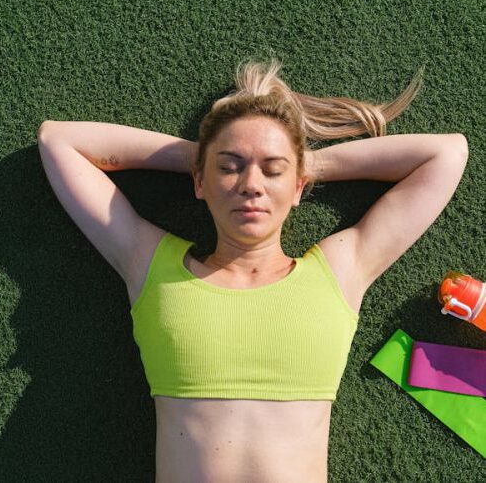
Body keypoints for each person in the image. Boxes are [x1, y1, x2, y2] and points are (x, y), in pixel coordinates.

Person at [36, 59, 469, 482]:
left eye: (272, 170)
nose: (251, 184)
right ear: (200, 182)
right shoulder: (153, 267)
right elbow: (59, 142)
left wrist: (303, 165)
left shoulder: (339, 272)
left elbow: (446, 153)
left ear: (298, 186)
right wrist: (203, 159)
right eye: (230, 167)